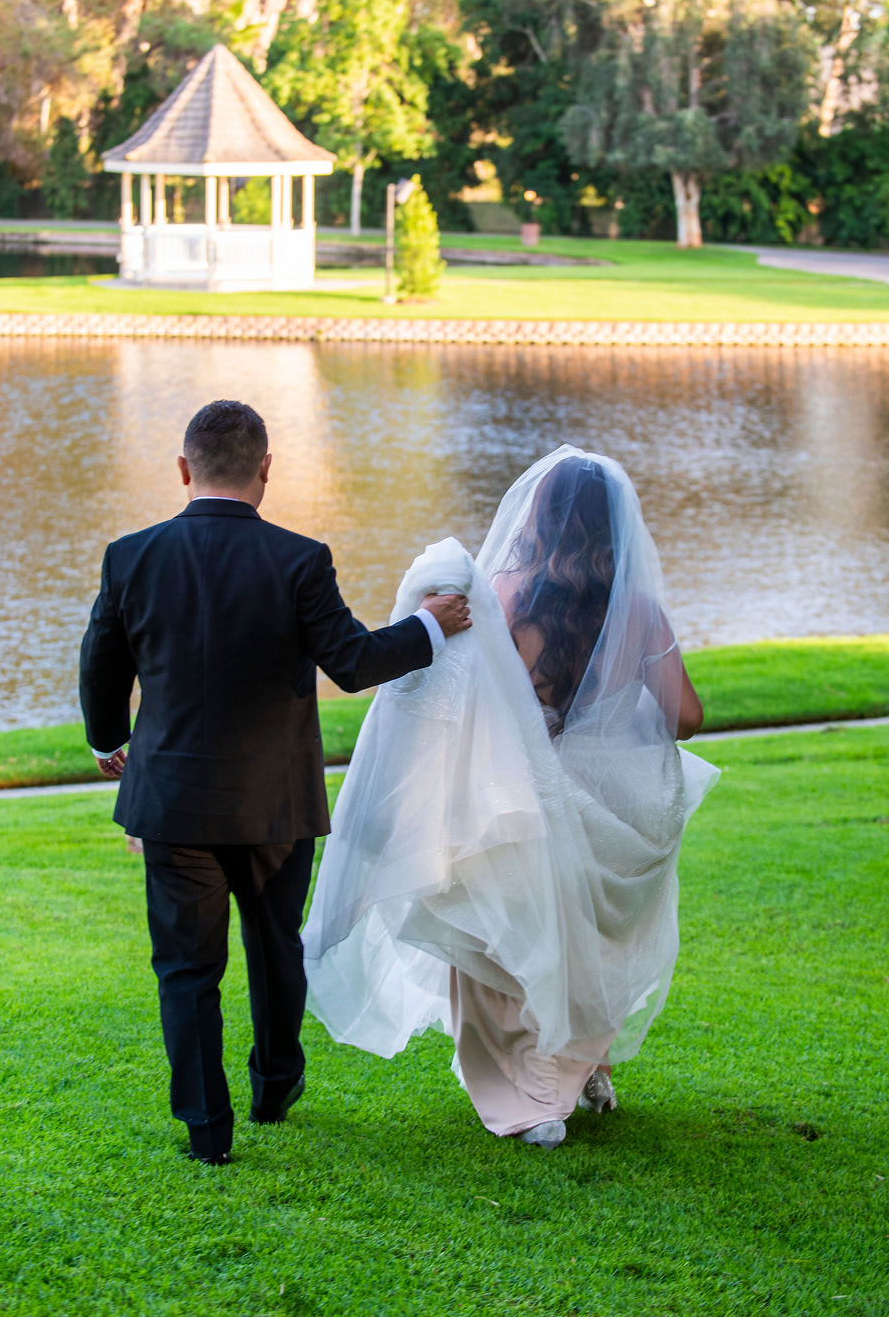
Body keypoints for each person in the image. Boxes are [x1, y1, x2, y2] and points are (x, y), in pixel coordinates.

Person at [79, 399, 471, 1165]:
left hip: (172, 804)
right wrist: (429, 624)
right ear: (266, 469)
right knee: (273, 946)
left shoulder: (129, 557)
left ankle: (205, 1127)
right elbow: (353, 663)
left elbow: (101, 667)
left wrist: (105, 740)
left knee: (186, 966)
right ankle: (274, 1085)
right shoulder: (301, 559)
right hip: (276, 805)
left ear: (184, 469)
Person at [303, 446, 718, 1148]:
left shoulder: (499, 597)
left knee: (501, 945)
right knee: (584, 940)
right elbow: (687, 719)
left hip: (516, 795)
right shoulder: (637, 612)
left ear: (539, 516)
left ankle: (530, 1103)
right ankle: (576, 1067)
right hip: (598, 799)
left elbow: (456, 701)